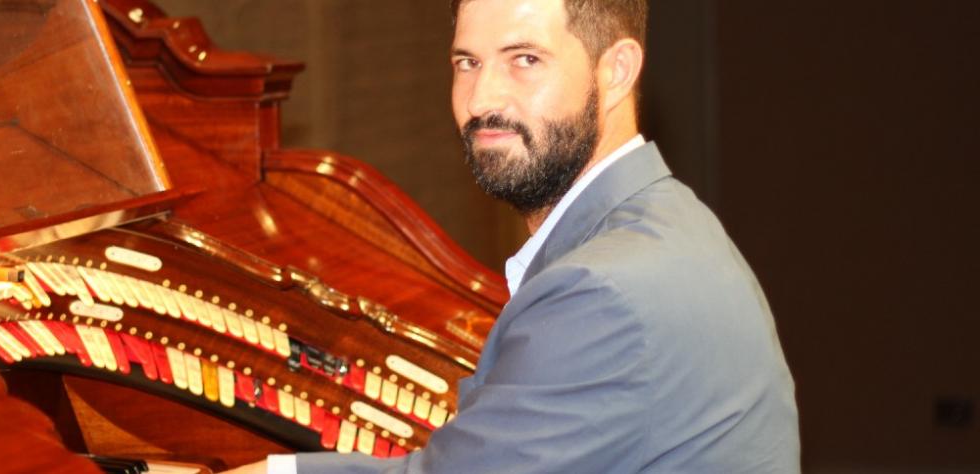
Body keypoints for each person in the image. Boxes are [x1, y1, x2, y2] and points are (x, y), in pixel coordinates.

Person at [227, 0, 799, 472]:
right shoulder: (667, 216)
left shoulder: (606, 291)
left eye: (524, 59)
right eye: (467, 62)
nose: (481, 101)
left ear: (617, 70)